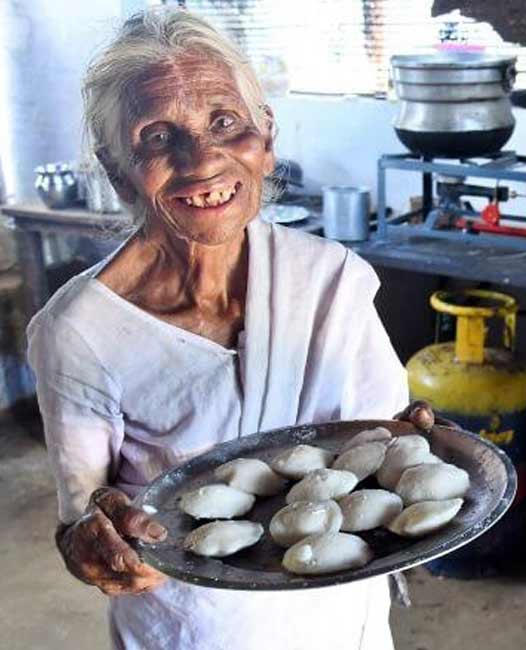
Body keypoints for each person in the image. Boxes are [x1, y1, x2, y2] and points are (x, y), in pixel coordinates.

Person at [28, 8, 416, 649]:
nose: (201, 161)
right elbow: (80, 522)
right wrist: (95, 546)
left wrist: (428, 444)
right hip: (194, 631)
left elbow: (390, 447)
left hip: (343, 621)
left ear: (266, 138)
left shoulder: (329, 280)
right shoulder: (80, 333)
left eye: (225, 123)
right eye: (158, 138)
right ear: (118, 167)